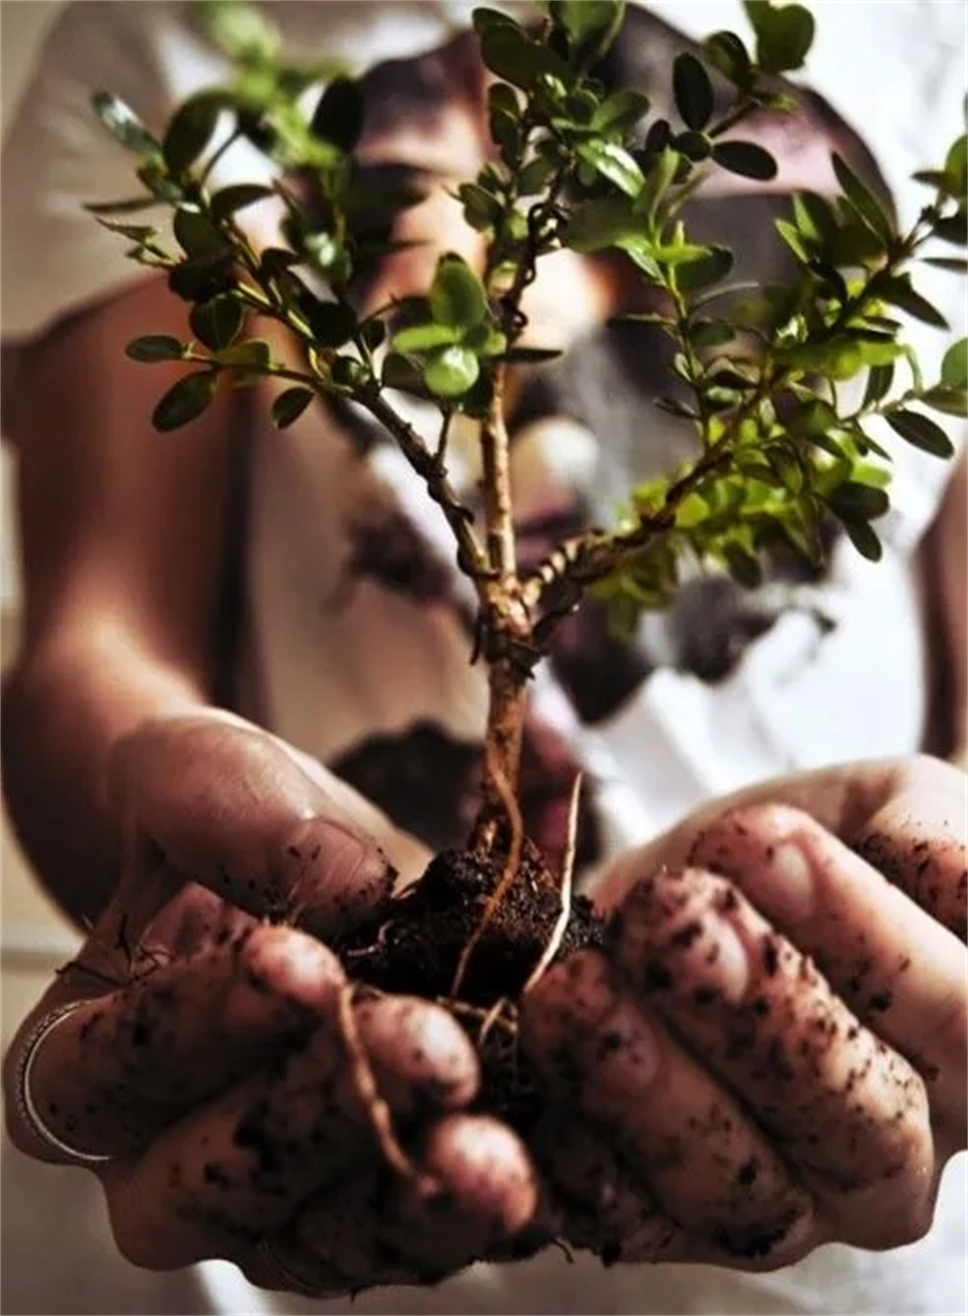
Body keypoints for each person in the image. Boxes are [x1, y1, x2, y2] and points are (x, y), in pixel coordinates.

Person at [1, 2, 966, 1313]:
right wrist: (171, 812)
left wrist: (943, 894)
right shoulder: (165, 36)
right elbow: (103, 635)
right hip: (323, 1101)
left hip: (845, 1165)